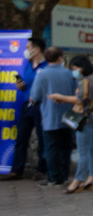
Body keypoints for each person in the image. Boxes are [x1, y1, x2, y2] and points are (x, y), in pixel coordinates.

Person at [48, 55, 93, 194]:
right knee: (91, 150)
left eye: (74, 69)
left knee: (83, 151)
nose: (73, 72)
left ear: (81, 68)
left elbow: (80, 100)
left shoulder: (86, 81)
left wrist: (61, 97)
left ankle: (78, 180)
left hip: (86, 118)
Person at [2, 37, 48, 182]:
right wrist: (20, 85)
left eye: (28, 47)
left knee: (42, 138)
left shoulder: (47, 66)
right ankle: (17, 170)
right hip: (26, 105)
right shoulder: (28, 65)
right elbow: (26, 85)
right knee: (21, 138)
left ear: (37, 49)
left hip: (41, 106)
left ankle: (42, 170)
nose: (26, 50)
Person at [30, 47, 76, 186]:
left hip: (49, 117)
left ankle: (53, 178)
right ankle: (64, 175)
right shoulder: (69, 73)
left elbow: (35, 96)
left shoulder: (42, 74)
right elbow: (77, 93)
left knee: (51, 149)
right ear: (60, 58)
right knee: (66, 148)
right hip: (68, 117)